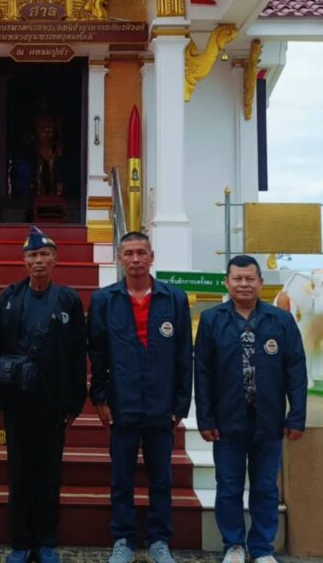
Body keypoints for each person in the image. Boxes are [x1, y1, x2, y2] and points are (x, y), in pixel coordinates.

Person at [193, 255, 307, 563]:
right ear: (227, 283)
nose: (244, 284)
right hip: (227, 421)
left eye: (250, 278)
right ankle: (233, 545)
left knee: (265, 487)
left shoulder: (281, 321)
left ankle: (261, 548)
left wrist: (297, 416)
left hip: (269, 420)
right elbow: (202, 372)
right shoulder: (212, 320)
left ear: (260, 282)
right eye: (237, 279)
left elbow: (296, 370)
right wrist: (205, 418)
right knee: (229, 486)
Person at [87, 231, 192, 563]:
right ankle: (124, 539)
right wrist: (100, 397)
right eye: (129, 253)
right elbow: (97, 353)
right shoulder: (104, 300)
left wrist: (180, 403)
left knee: (162, 477)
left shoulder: (174, 299)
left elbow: (183, 355)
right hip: (123, 402)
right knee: (122, 477)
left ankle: (159, 540)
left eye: (141, 252)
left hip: (162, 404)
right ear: (120, 258)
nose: (135, 259)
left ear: (152, 256)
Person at [0, 226, 86, 563]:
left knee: (49, 474)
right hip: (17, 401)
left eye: (45, 254)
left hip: (53, 402)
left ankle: (46, 541)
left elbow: (77, 354)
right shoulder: (9, 298)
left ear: (55, 259)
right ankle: (21, 542)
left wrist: (75, 402)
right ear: (24, 260)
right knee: (18, 474)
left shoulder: (67, 300)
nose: (39, 261)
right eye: (32, 255)